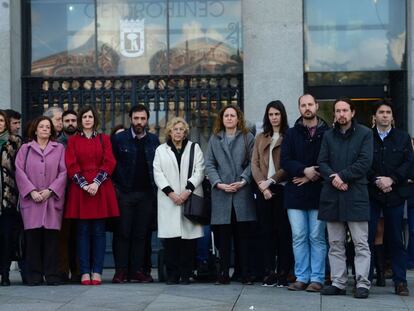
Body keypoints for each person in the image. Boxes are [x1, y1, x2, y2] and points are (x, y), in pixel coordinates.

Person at [318, 98, 373, 299]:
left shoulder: (365, 134)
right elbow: (321, 162)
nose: (341, 114)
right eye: (338, 111)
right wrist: (335, 178)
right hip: (332, 194)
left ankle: (362, 284)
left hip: (356, 194)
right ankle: (338, 283)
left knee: (360, 243)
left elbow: (365, 162)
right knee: (335, 243)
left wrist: (343, 176)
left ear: (352, 112)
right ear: (334, 114)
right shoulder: (328, 136)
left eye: (345, 110)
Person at [64, 105, 119, 285]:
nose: (87, 119)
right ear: (80, 120)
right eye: (84, 116)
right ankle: (85, 272)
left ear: (95, 119)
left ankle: (97, 271)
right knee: (82, 232)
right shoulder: (73, 141)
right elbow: (71, 164)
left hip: (100, 188)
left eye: (90, 116)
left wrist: (96, 182)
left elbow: (109, 161)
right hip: (80, 190)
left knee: (98, 232)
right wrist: (84, 184)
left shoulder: (104, 139)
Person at [279, 94, 329, 292]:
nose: (307, 108)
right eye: (303, 105)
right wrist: (303, 170)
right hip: (295, 192)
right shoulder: (291, 134)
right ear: (299, 108)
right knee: (299, 236)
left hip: (319, 192)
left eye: (310, 104)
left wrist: (311, 174)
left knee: (316, 236)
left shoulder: (327, 133)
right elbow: (285, 161)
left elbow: (330, 159)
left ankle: (317, 278)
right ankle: (301, 277)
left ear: (316, 106)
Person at [205, 104, 256, 285]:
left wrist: (244, 180)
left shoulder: (247, 137)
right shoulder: (214, 139)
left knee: (244, 237)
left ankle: (246, 274)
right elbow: (209, 164)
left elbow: (253, 162)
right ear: (222, 118)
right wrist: (218, 183)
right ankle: (223, 274)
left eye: (232, 115)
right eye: (226, 115)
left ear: (238, 118)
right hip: (222, 195)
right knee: (223, 238)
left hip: (242, 193)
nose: (229, 118)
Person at [367, 101, 413, 296]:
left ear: (392, 116)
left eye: (388, 112)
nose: (385, 115)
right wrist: (377, 180)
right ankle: (365, 279)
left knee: (395, 238)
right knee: (366, 239)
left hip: (395, 195)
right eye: (381, 112)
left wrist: (391, 179)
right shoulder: (366, 137)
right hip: (371, 194)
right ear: (374, 117)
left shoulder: (402, 138)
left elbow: (409, 163)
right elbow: (361, 161)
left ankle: (400, 281)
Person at [15, 116, 67, 286]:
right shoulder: (25, 149)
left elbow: (63, 172)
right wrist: (31, 191)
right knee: (33, 240)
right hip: (32, 201)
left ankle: (52, 275)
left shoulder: (59, 148)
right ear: (35, 130)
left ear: (51, 131)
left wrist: (50, 190)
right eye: (41, 126)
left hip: (51, 200)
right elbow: (19, 172)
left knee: (52, 240)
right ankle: (34, 276)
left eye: (47, 127)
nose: (45, 129)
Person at [111, 105, 159, 283]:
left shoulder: (153, 140)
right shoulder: (119, 139)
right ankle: (121, 271)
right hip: (124, 193)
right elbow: (111, 165)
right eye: (136, 118)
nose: (139, 122)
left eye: (143, 119)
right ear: (130, 118)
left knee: (141, 234)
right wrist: (116, 188)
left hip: (146, 194)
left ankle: (137, 270)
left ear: (147, 120)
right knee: (123, 232)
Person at [153, 117, 204, 284]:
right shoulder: (161, 150)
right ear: (170, 131)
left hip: (189, 198)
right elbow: (158, 173)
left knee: (188, 241)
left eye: (181, 129)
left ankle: (186, 273)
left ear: (185, 132)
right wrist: (171, 193)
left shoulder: (194, 148)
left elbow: (199, 170)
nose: (178, 132)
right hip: (169, 200)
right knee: (171, 240)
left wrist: (187, 191)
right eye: (175, 129)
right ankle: (172, 274)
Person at [251, 100, 293, 287]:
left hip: (282, 188)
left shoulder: (289, 136)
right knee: (266, 231)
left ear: (282, 115)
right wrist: (263, 185)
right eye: (271, 114)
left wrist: (272, 181)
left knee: (283, 232)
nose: (274, 117)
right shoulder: (261, 137)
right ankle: (269, 271)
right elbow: (254, 163)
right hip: (263, 190)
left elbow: (287, 164)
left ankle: (284, 271)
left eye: (277, 114)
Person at [0, 111, 22, 286]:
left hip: (8, 198)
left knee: (7, 238)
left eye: (1, 120)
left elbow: (21, 169)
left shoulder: (15, 142)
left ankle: (5, 273)